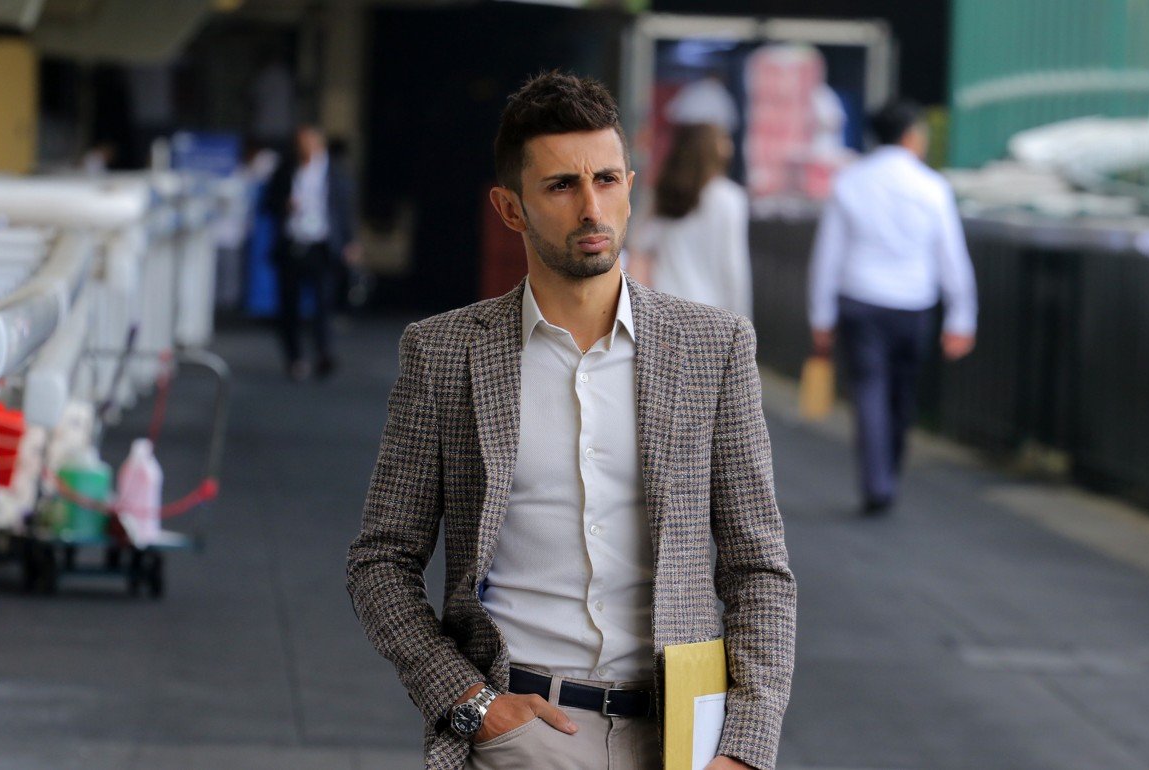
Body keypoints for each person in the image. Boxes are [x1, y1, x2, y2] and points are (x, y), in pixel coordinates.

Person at [347, 71, 795, 770]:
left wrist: (744, 748)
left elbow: (757, 568)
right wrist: (470, 702)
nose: (592, 207)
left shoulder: (714, 347)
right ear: (510, 207)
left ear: (631, 185)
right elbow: (380, 561)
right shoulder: (443, 354)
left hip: (680, 742)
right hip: (522, 736)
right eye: (561, 186)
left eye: (608, 180)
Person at [808, 100, 978, 515]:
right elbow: (951, 256)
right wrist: (961, 318)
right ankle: (889, 469)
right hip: (914, 304)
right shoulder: (933, 187)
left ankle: (876, 479)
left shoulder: (850, 181)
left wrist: (821, 316)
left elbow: (828, 255)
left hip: (859, 299)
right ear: (911, 136)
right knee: (903, 394)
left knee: (869, 389)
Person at [629, 122, 752, 319]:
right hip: (710, 315)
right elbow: (733, 267)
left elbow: (637, 249)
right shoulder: (729, 198)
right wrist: (743, 321)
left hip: (664, 309)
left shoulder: (662, 194)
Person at [264, 125, 356, 380]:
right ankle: (294, 358)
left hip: (322, 246)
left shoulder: (335, 171)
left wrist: (350, 241)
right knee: (289, 306)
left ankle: (324, 352)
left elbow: (346, 208)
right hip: (292, 245)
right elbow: (267, 204)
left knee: (323, 304)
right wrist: (284, 205)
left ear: (319, 145)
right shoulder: (285, 170)